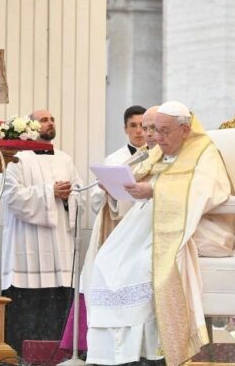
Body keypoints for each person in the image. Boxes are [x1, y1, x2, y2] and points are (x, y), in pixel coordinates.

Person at [85, 101, 235, 366]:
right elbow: (139, 176)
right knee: (105, 261)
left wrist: (155, 191)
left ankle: (154, 351)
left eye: (163, 131)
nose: (156, 137)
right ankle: (118, 353)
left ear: (185, 130)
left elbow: (206, 191)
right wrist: (117, 185)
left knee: (144, 266)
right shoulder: (158, 151)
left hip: (192, 224)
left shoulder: (204, 152)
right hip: (148, 221)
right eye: (154, 130)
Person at [60, 105, 155, 352]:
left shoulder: (157, 156)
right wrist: (109, 193)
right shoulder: (116, 160)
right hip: (116, 227)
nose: (139, 132)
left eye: (143, 126)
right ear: (125, 129)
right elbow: (94, 201)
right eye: (133, 126)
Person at [1, 109, 83, 354]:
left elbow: (80, 194)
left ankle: (58, 355)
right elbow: (12, 198)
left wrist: (69, 197)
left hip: (60, 246)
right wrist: (50, 192)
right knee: (28, 312)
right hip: (27, 247)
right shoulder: (17, 158)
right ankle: (23, 355)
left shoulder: (65, 160)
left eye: (52, 119)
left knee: (57, 308)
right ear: (31, 126)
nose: (49, 123)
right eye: (43, 119)